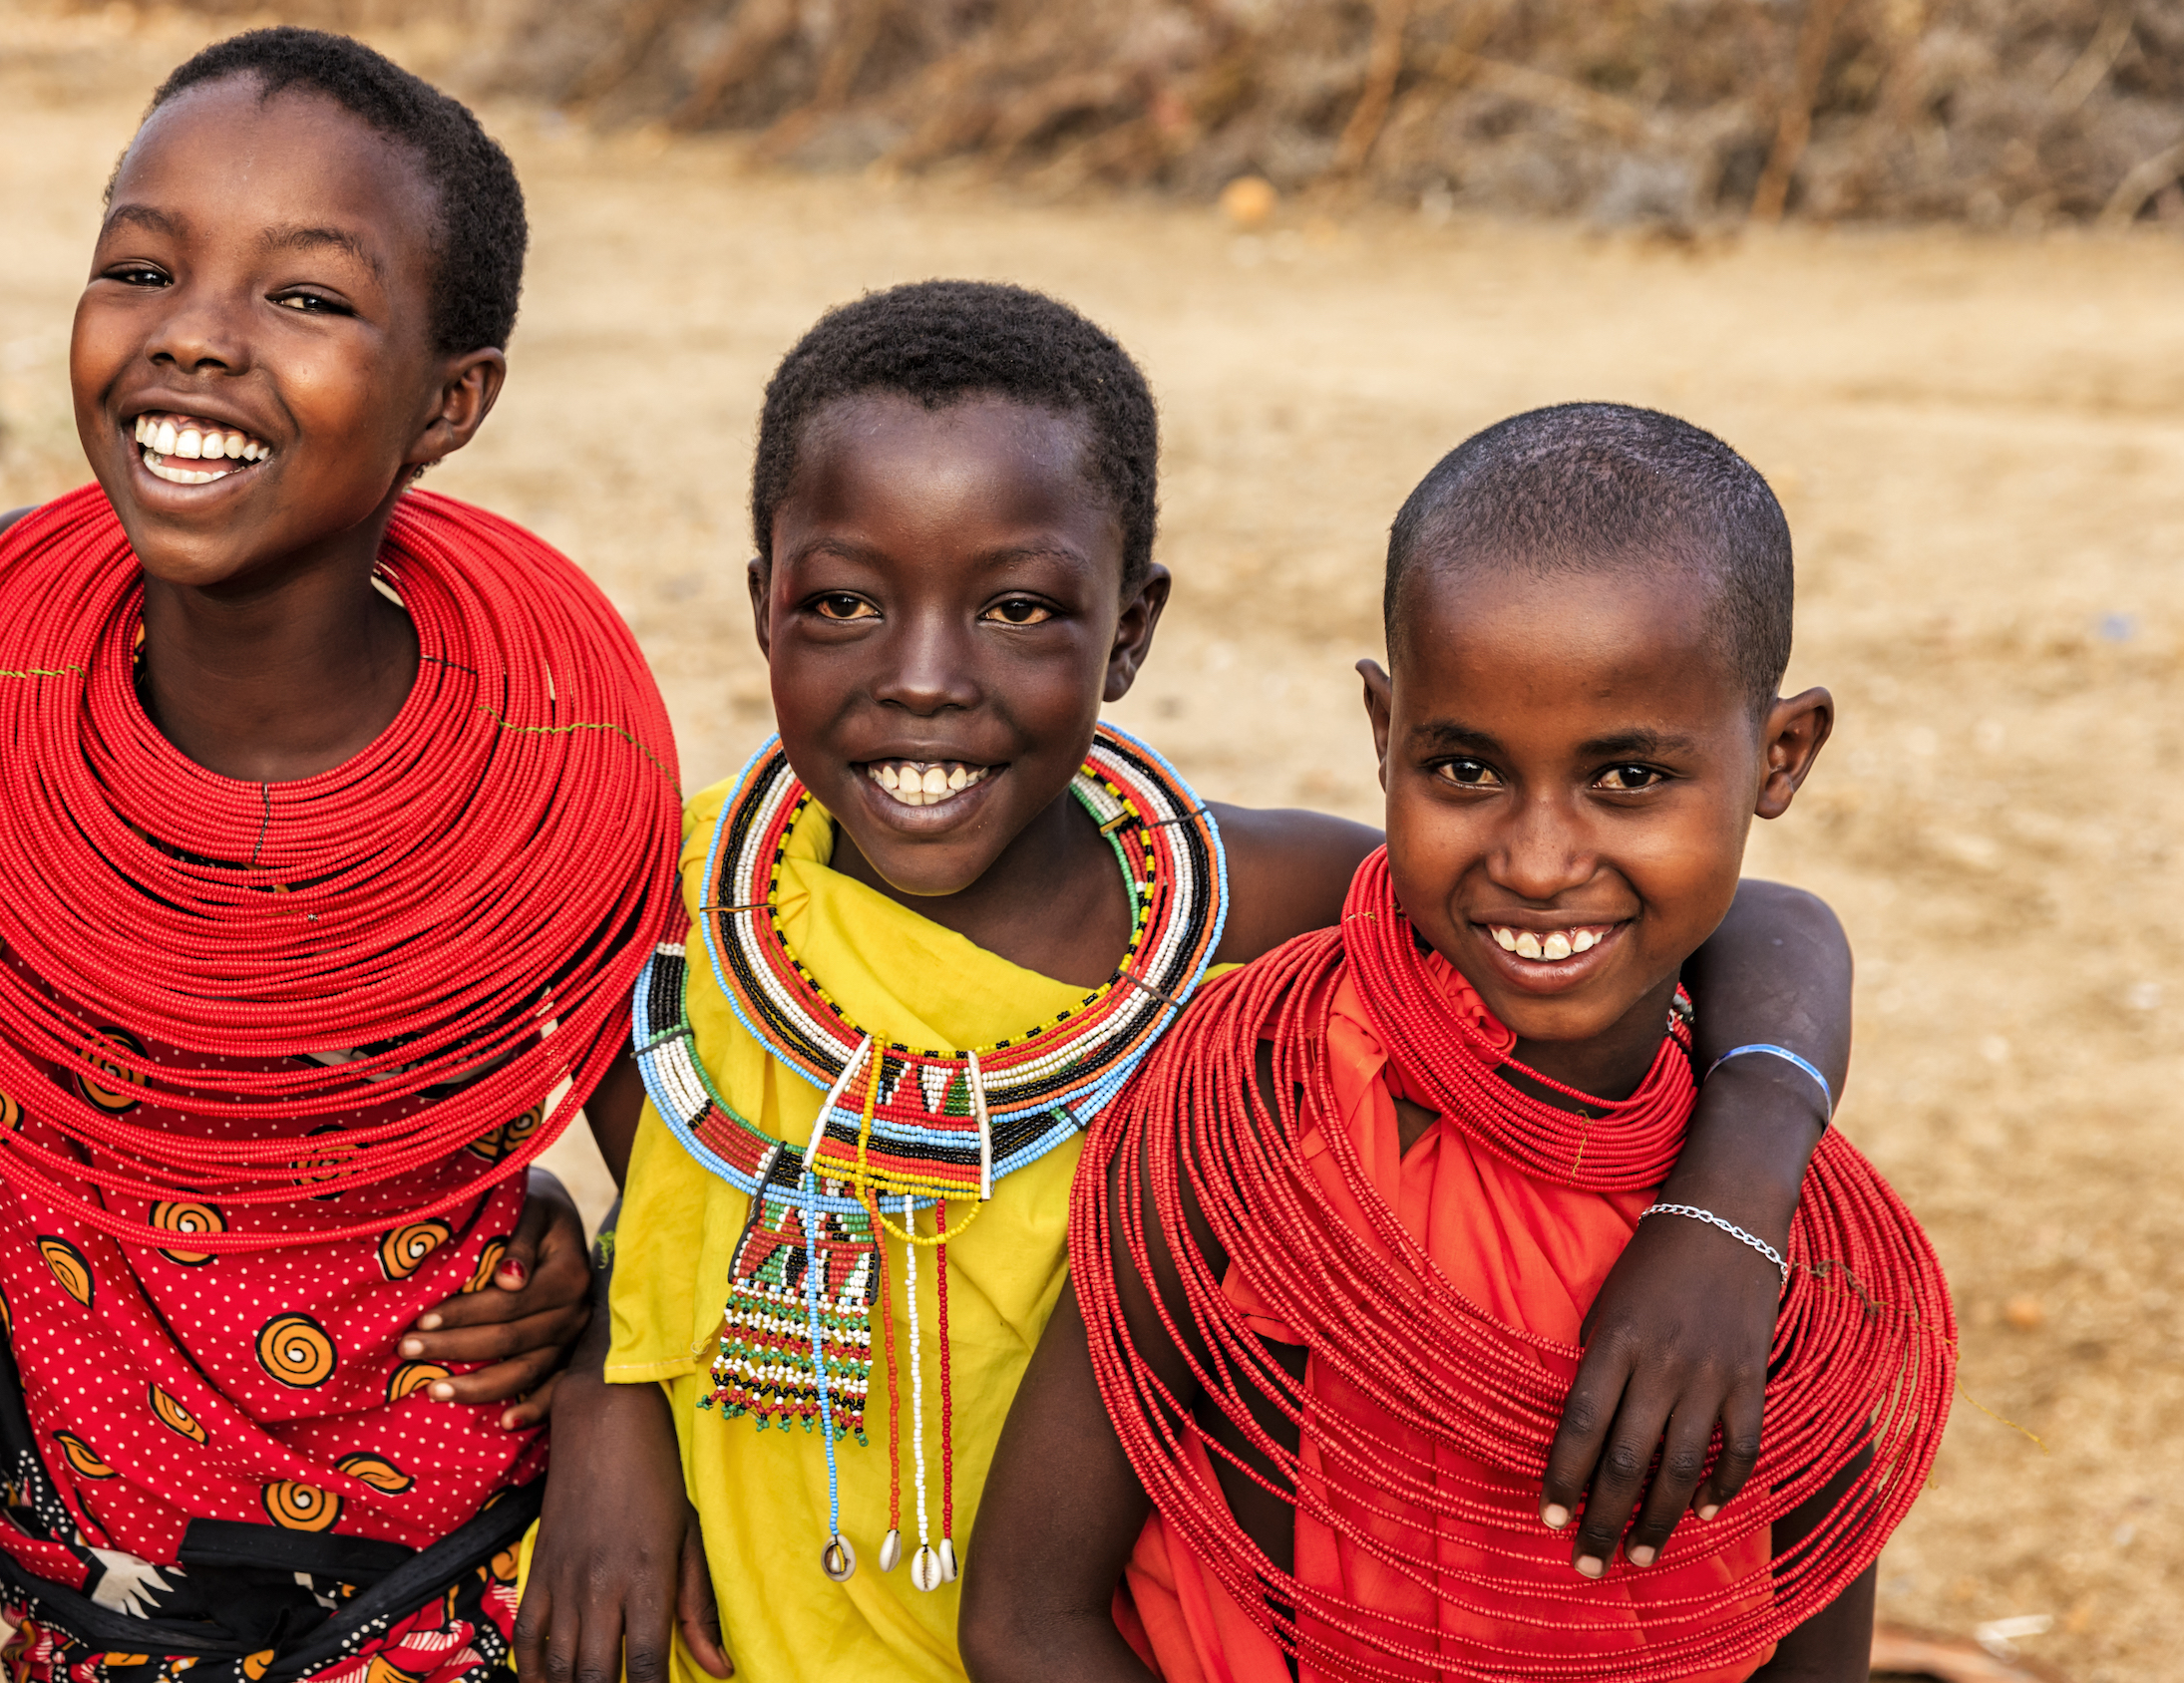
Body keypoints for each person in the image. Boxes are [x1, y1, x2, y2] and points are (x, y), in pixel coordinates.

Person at [519, 287, 1865, 1683]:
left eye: (1021, 608)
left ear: (1131, 628)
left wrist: (1732, 1211)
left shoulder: (1255, 914)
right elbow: (657, 1212)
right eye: (845, 603)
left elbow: (1764, 928)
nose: (923, 681)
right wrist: (602, 1398)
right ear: (762, 606)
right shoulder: (673, 906)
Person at [0, 30, 670, 1683]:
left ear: (451, 402)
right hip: (82, 1607)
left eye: (303, 298)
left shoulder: (535, 782)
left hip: (445, 1594)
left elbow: (686, 1181)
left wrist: (601, 1383)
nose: (196, 335)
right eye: (143, 266)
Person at [957, 402, 1951, 1683]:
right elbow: (1025, 1619)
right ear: (1384, 736)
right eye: (1466, 771)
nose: (1538, 862)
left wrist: (1731, 1218)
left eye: (1630, 779)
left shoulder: (1807, 1268)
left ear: (1782, 754)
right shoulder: (1246, 1117)